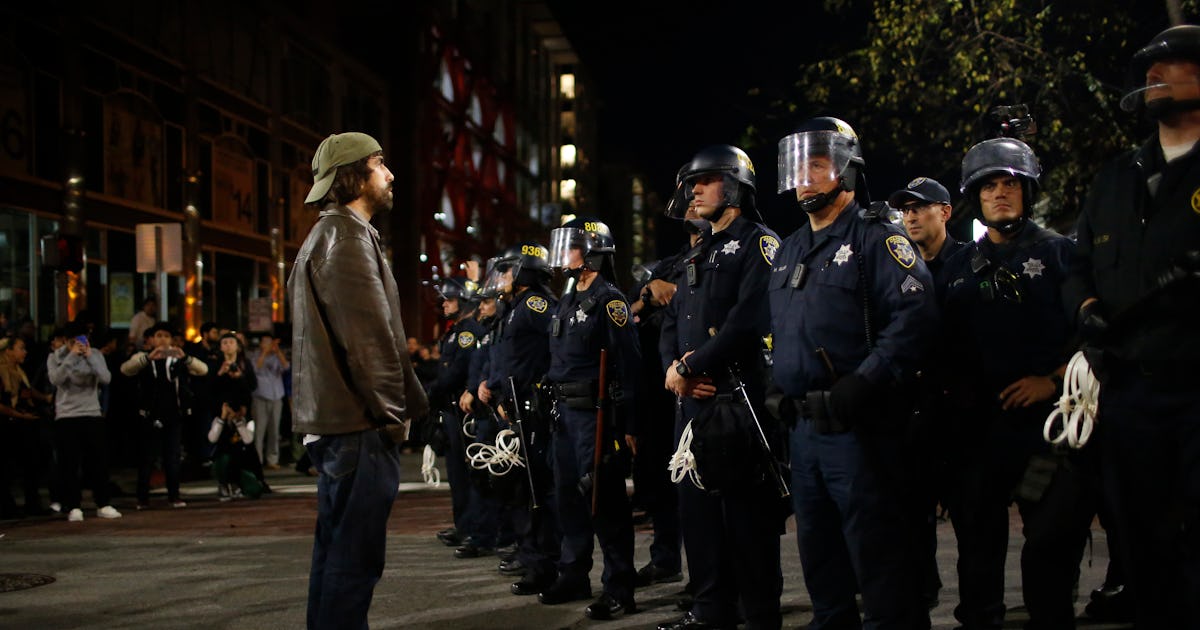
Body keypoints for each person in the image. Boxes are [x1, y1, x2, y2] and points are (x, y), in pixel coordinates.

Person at [769, 118, 936, 629]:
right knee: (820, 561)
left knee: (880, 562)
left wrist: (865, 381)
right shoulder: (791, 247)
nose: (804, 179)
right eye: (798, 169)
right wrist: (775, 381)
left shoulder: (876, 238)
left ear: (845, 169)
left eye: (817, 166)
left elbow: (915, 318)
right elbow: (779, 328)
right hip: (804, 433)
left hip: (860, 431)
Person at [1062, 24, 1200, 628]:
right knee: (1138, 533)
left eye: (1169, 65)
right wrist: (1086, 306)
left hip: (1197, 388)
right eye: (1148, 69)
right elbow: (1077, 261)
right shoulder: (1117, 176)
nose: (1153, 77)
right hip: (1128, 392)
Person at [942, 137, 1093, 629]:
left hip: (1046, 429)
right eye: (989, 186)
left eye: (1010, 183)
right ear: (976, 198)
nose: (1000, 193)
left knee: (1049, 550)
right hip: (976, 431)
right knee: (977, 554)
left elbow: (1092, 334)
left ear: (1027, 191)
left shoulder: (1060, 254)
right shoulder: (959, 266)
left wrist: (1051, 382)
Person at [289, 131, 428, 629]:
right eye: (378, 163)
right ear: (352, 176)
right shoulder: (345, 237)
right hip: (358, 426)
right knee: (354, 561)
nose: (390, 174)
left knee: (336, 555)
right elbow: (370, 346)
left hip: (340, 425)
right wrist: (394, 419)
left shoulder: (332, 235)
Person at [658, 145, 784, 630]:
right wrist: (675, 369)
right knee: (700, 516)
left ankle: (759, 616)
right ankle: (710, 611)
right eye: (693, 182)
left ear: (734, 185)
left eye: (705, 181)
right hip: (692, 404)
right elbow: (673, 318)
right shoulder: (698, 249)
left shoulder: (759, 242)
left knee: (748, 523)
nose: (694, 190)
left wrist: (692, 367)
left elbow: (749, 319)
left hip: (738, 401)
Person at [543, 218, 640, 620]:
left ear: (594, 251)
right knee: (567, 499)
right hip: (563, 415)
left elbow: (630, 366)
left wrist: (631, 424)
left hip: (594, 416)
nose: (564, 252)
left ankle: (619, 587)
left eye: (573, 245)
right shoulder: (566, 298)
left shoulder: (609, 301)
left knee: (605, 502)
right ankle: (573, 573)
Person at [889, 175, 965, 609]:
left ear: (946, 211)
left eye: (921, 207)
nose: (912, 216)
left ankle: (978, 610)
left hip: (959, 411)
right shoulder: (894, 265)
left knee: (973, 521)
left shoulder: (970, 261)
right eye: (906, 209)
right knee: (911, 517)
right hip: (912, 412)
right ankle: (919, 594)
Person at [476, 242, 561, 596]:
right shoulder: (515, 308)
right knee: (523, 490)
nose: (504, 277)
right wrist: (497, 391)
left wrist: (540, 392)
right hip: (516, 407)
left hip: (534, 408)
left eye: (510, 270)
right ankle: (531, 558)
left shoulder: (536, 304)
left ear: (526, 271)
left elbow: (556, 348)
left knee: (538, 491)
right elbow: (510, 359)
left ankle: (545, 565)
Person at [422, 277, 485, 555]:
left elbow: (456, 372)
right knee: (456, 473)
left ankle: (474, 529)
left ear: (464, 301)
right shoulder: (455, 330)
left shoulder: (467, 332)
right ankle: (464, 525)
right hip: (449, 408)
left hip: (462, 411)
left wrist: (427, 392)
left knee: (467, 472)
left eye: (449, 299)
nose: (444, 304)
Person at [121, 322, 209, 509]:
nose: (162, 340)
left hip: (173, 414)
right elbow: (126, 370)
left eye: (166, 336)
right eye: (158, 336)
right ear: (151, 339)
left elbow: (203, 370)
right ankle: (142, 498)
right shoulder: (142, 357)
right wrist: (148, 358)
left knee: (172, 456)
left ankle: (174, 495)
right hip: (149, 413)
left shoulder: (178, 359)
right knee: (147, 457)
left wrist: (184, 358)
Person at [47, 325, 121, 521]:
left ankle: (103, 503)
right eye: (72, 341)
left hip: (92, 413)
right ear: (66, 341)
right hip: (66, 416)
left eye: (81, 340)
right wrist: (71, 356)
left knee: (98, 462)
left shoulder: (95, 354)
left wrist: (90, 356)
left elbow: (106, 378)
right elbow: (56, 379)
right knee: (69, 464)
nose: (77, 345)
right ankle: (73, 506)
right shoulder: (55, 357)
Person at [0, 335, 52, 518]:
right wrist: (19, 415)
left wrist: (45, 398)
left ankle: (32, 503)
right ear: (8, 351)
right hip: (8, 426)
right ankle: (7, 507)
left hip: (25, 424)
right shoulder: (2, 372)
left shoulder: (19, 371)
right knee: (6, 469)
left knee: (31, 466)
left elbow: (28, 391)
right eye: (20, 348)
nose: (25, 352)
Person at [250, 331, 288, 470]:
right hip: (260, 397)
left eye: (270, 342)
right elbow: (256, 368)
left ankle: (272, 459)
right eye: (265, 342)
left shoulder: (276, 356)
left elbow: (286, 367)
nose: (268, 345)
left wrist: (277, 352)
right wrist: (265, 352)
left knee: (274, 430)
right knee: (259, 430)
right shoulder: (254, 356)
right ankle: (257, 460)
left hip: (276, 396)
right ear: (260, 343)